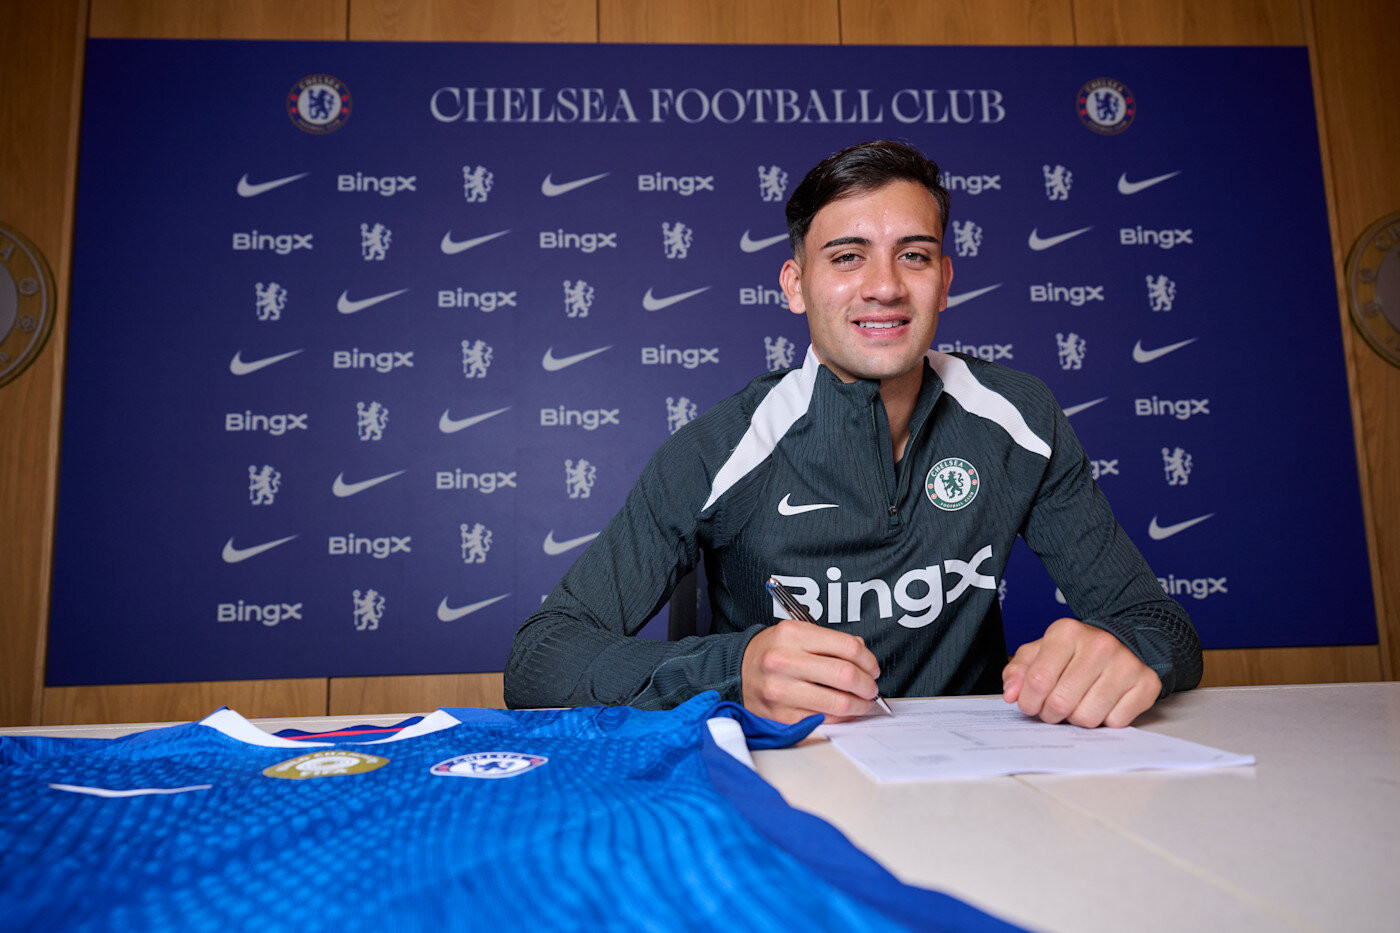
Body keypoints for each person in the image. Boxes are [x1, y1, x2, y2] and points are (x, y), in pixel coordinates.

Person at [506, 140, 1202, 727]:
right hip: (784, 787)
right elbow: (540, 660)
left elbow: (1159, 624)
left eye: (914, 255)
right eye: (847, 257)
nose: (885, 286)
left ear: (945, 279)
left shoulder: (1019, 416)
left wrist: (1126, 651)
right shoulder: (721, 447)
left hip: (971, 790)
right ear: (795, 284)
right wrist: (734, 668)